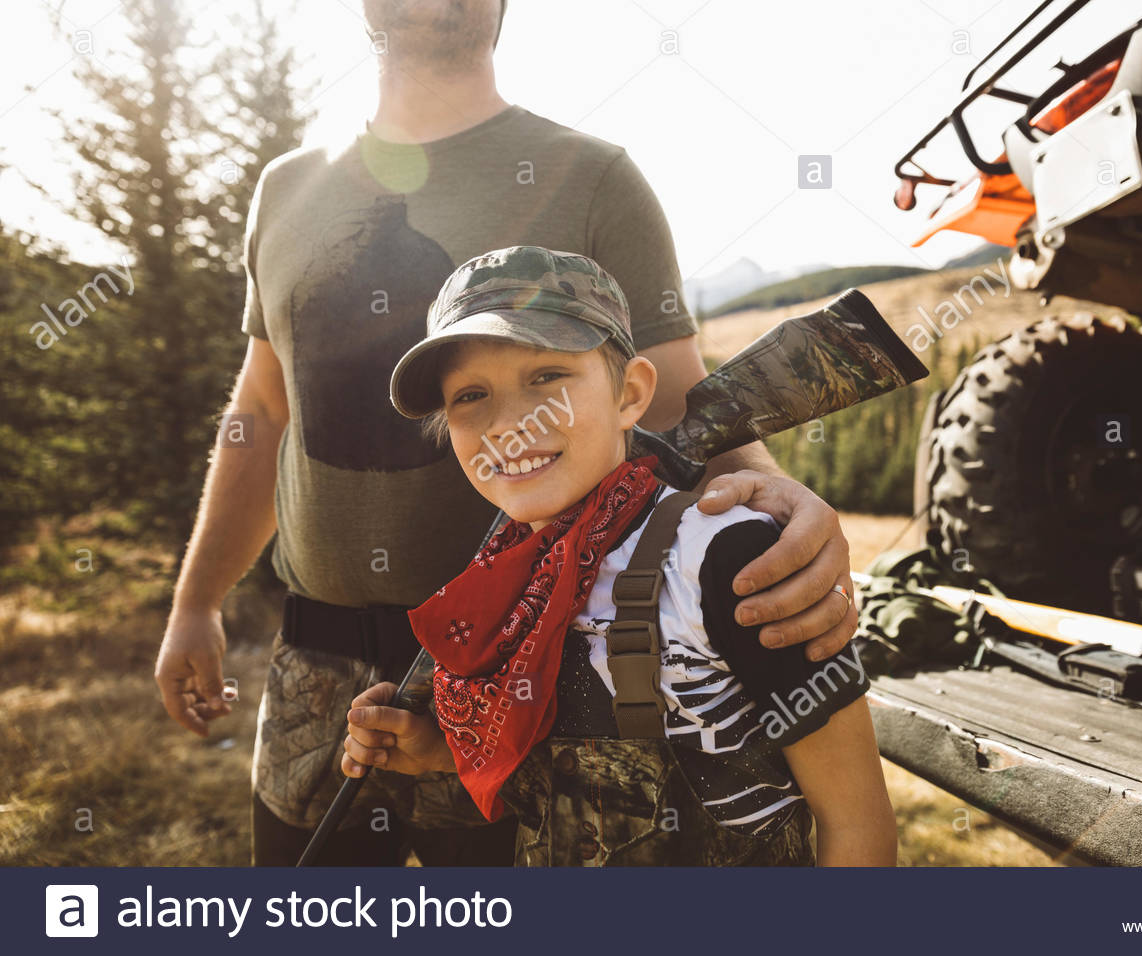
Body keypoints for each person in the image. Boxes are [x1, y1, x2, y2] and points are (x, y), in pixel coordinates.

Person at [154, 0, 858, 867]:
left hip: (533, 670)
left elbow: (679, 400)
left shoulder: (593, 177)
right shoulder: (286, 189)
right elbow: (262, 411)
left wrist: (780, 502)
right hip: (314, 658)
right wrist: (195, 602)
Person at [342, 246, 897, 865]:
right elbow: (561, 761)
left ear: (630, 393)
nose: (508, 426)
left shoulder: (724, 557)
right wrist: (434, 749)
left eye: (547, 377)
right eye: (470, 396)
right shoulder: (508, 576)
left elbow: (856, 823)